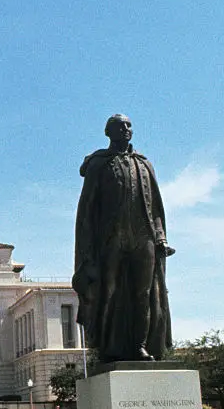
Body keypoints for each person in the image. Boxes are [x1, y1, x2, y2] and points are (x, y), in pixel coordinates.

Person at [72, 114, 173, 362]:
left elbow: (155, 206)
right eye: (121, 126)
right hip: (110, 238)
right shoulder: (99, 164)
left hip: (143, 236)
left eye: (129, 125)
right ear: (109, 132)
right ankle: (107, 346)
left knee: (144, 294)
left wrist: (159, 237)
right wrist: (87, 251)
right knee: (109, 292)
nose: (126, 129)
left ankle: (140, 345)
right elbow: (87, 208)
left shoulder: (144, 163)